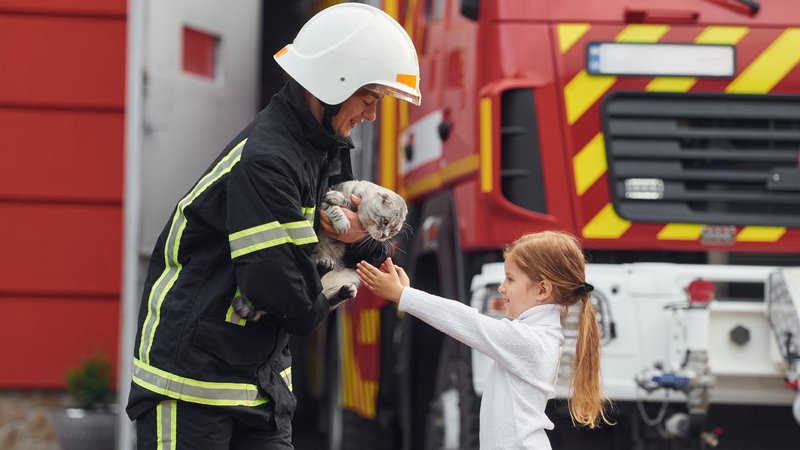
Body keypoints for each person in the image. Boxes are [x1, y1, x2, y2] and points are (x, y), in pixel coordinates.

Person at [126, 3, 420, 449]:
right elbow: (281, 290)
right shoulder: (268, 160)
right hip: (190, 382)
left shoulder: (325, 147)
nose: (372, 115)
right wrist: (332, 289)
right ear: (335, 83)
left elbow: (339, 238)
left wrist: (369, 247)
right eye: (369, 99)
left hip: (259, 381)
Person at [356, 230, 612, 450]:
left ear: (542, 290)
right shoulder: (538, 336)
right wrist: (406, 293)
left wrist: (405, 296)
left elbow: (468, 322)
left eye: (510, 279)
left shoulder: (529, 342)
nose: (502, 287)